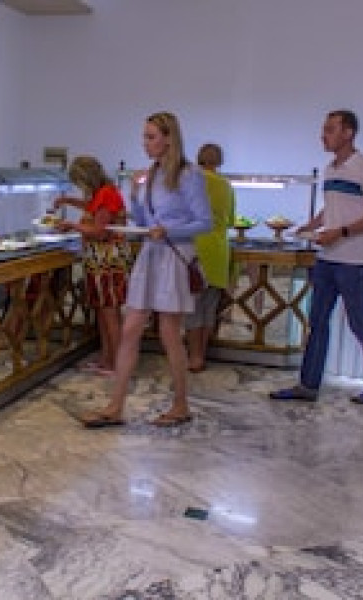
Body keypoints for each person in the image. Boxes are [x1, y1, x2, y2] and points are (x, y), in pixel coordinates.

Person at [79, 111, 212, 428]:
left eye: (151, 137)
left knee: (169, 333)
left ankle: (180, 404)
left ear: (169, 139)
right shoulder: (148, 175)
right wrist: (135, 196)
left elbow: (205, 222)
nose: (145, 143)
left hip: (174, 255)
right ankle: (115, 406)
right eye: (145, 137)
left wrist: (169, 230)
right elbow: (142, 221)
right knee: (130, 329)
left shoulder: (189, 175)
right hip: (151, 255)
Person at [270, 109, 363, 404]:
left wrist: (342, 232)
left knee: (358, 320)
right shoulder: (331, 169)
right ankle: (308, 384)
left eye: (330, 129)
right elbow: (333, 207)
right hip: (328, 256)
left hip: (356, 259)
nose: (323, 135)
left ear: (348, 133)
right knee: (317, 320)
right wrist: (311, 226)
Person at [53, 156, 133, 375]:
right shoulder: (104, 192)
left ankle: (116, 363)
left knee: (109, 315)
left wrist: (72, 225)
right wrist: (68, 201)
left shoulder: (106, 193)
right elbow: (94, 209)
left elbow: (100, 231)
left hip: (107, 263)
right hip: (101, 262)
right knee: (105, 314)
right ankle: (107, 359)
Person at [185, 143, 235, 373]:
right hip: (219, 251)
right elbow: (231, 220)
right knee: (208, 309)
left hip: (196, 249)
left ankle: (193, 357)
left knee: (193, 308)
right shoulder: (226, 185)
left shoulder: (191, 181)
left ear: (198, 159)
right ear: (220, 161)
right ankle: (202, 355)